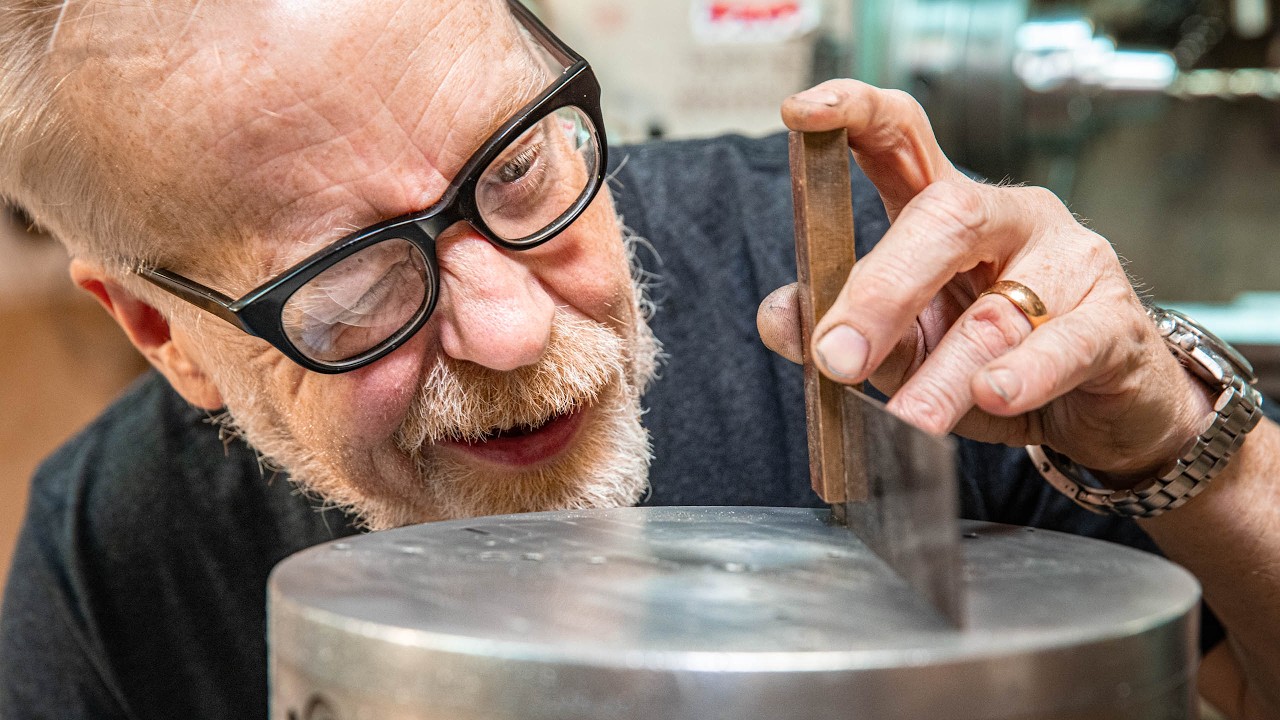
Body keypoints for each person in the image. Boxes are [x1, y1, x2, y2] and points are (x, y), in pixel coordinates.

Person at [1, 0, 1277, 717]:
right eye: (349, 285)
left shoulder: (893, 305)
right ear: (169, 337)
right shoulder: (113, 556)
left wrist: (1181, 445)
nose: (509, 333)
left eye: (517, 167)